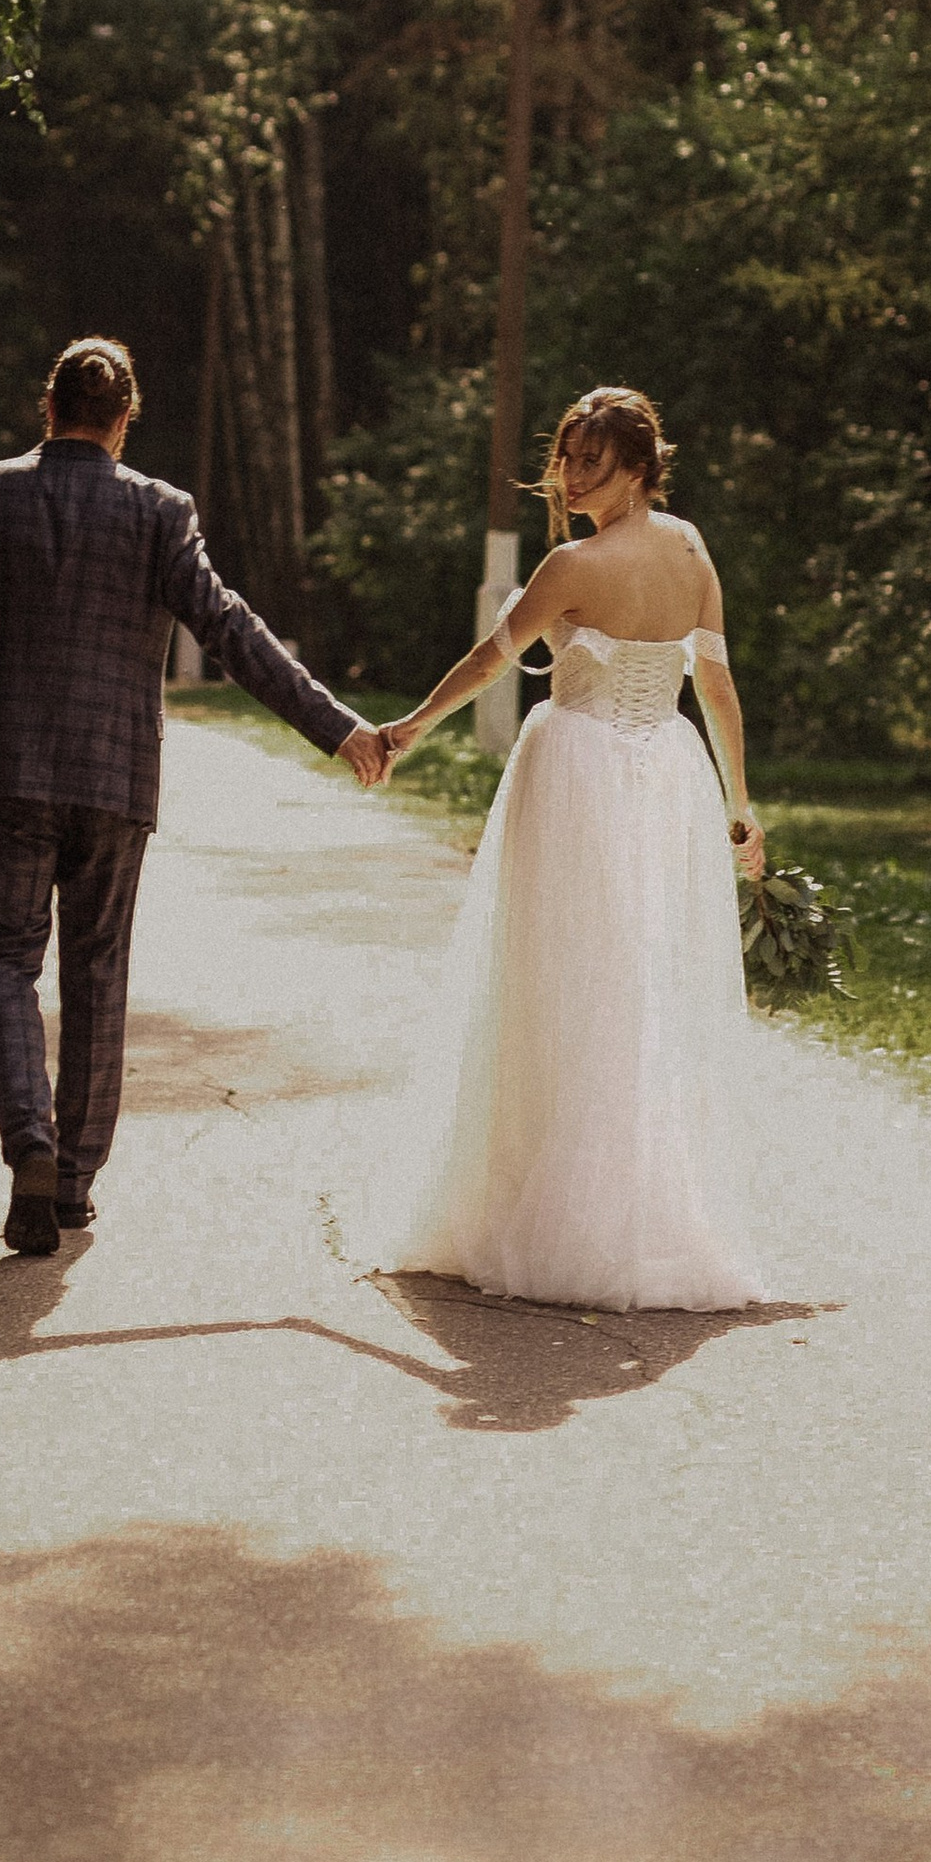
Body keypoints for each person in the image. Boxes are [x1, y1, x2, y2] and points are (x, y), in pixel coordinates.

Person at [0, 337, 390, 1258]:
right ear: (124, 420)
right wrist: (338, 726)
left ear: (48, 409)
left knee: (3, 960)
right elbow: (230, 630)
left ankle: (27, 1141)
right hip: (114, 777)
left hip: (2, 771)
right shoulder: (161, 511)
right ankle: (71, 1183)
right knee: (97, 968)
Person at [374, 385, 768, 1311]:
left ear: (638, 466)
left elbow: (492, 661)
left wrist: (412, 726)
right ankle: (616, 1206)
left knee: (573, 980)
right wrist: (735, 802)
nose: (572, 474)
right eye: (568, 456)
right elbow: (708, 685)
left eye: (591, 460)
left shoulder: (571, 562)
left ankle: (565, 1214)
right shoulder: (690, 548)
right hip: (664, 770)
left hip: (581, 769)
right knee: (617, 982)